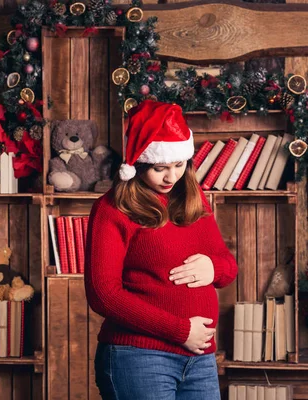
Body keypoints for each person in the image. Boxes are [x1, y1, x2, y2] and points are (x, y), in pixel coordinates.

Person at [85, 100, 238, 400]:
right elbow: (103, 294)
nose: (171, 177)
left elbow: (228, 267)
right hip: (139, 357)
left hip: (201, 359)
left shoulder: (194, 199)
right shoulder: (112, 209)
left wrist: (213, 268)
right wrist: (180, 331)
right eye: (160, 168)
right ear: (138, 163)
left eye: (179, 165)